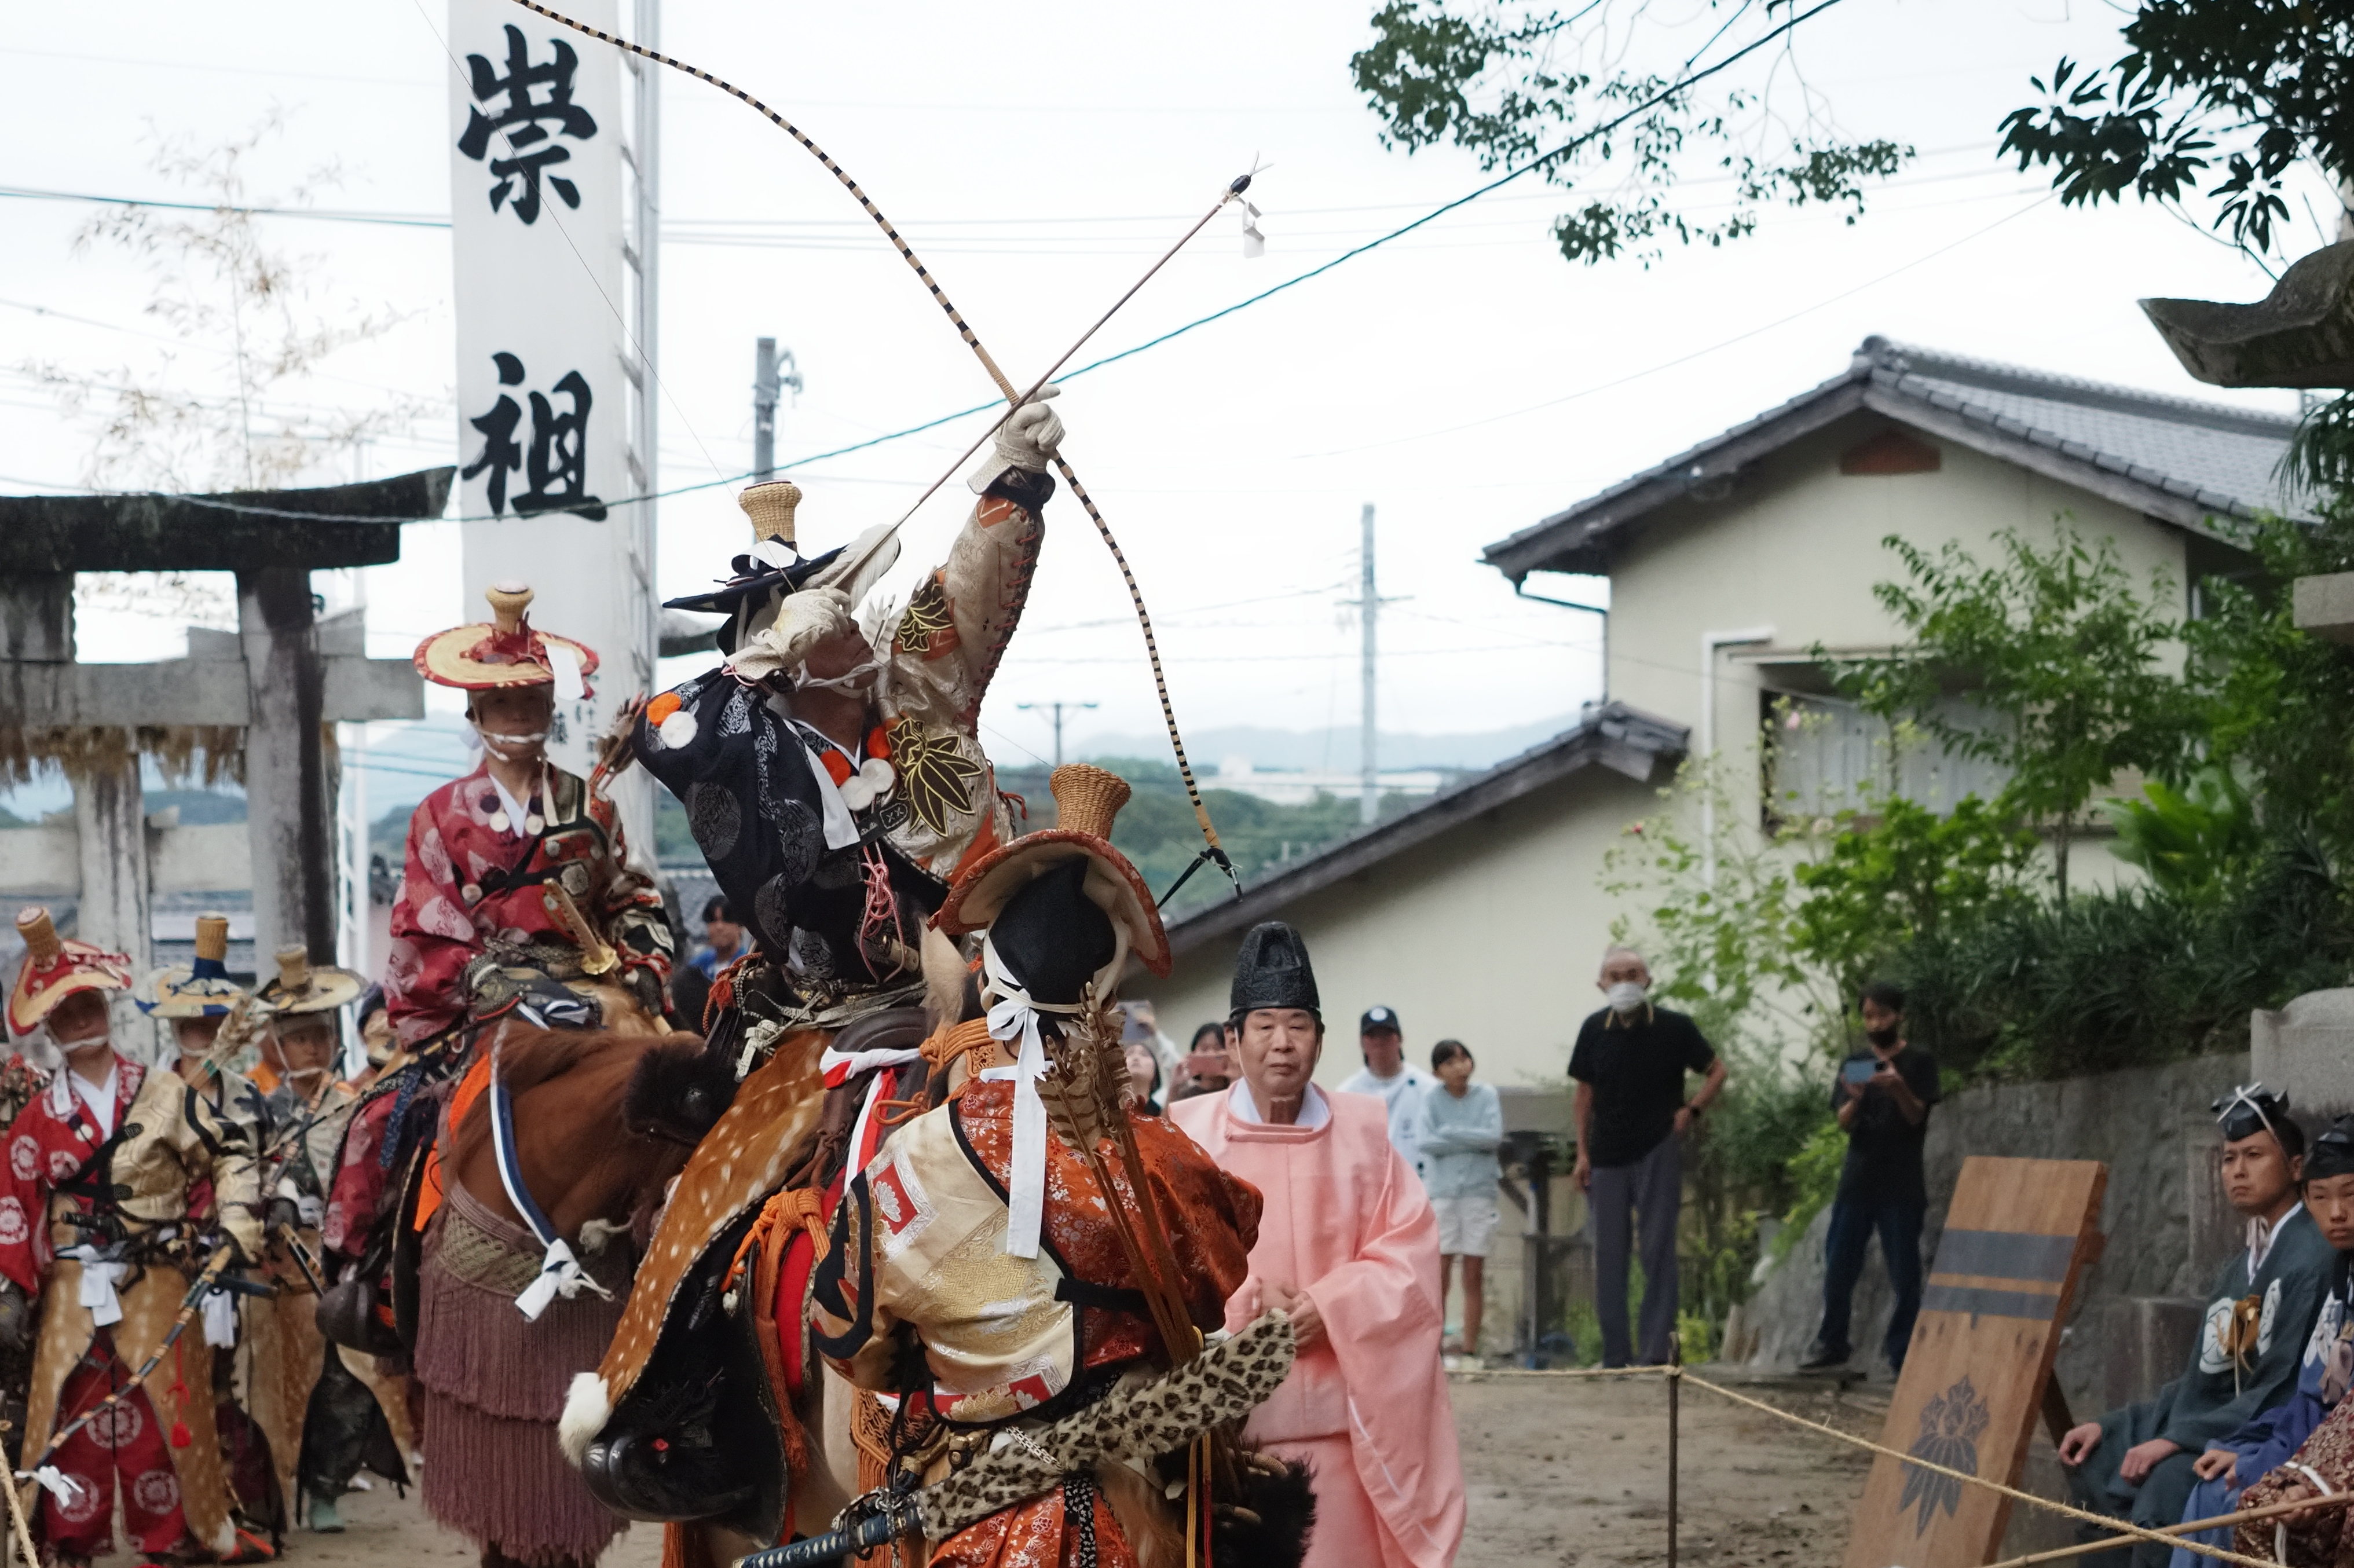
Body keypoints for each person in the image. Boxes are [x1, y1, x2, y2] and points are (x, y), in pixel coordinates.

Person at [813, 764, 1276, 1566]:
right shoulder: (1161, 1163)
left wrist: (948, 1356)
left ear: (987, 983)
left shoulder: (909, 1162)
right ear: (1102, 1002)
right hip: (1134, 1516)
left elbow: (844, 1333)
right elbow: (1211, 1286)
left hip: (970, 1510)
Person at [1171, 921, 1466, 1568]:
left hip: (1345, 1434)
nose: (1283, 1043)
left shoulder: (1364, 1135)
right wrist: (1245, 1303)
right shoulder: (1187, 1138)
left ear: (1321, 1038)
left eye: (1299, 1024)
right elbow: (1160, 1266)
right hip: (1225, 1439)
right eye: (1266, 1025)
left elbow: (1410, 1263)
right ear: (1232, 1040)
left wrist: (1329, 1304)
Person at [1, 907, 262, 1565]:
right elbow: (10, 1200)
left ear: (107, 1006)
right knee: (73, 1424)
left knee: (164, 1415)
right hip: (69, 1287)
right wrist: (10, 1286)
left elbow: (229, 1152)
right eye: (66, 1008)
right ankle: (69, 1539)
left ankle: (173, 1537)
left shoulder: (165, 1092)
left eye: (89, 1001)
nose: (82, 1016)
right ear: (50, 1025)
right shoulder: (35, 1116)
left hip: (157, 1275)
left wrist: (234, 1218)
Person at [383, 580, 673, 1047]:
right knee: (389, 1118)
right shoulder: (438, 816)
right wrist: (489, 980)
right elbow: (424, 923)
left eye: (530, 701)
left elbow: (631, 898)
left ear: (549, 710)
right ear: (474, 715)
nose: (517, 715)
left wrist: (643, 965)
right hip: (485, 1001)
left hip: (594, 993)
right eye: (500, 702)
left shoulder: (591, 806)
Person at [2059, 1084, 2333, 1567]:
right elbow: (2205, 1382)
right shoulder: (2239, 1266)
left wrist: (2176, 1440)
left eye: (2253, 1156)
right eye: (2228, 1159)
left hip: (2259, 1432)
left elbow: (2280, 1385)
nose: (2238, 1172)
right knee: (2094, 1457)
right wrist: (2114, 1425)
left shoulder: (2311, 1257)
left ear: (2294, 1168)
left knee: (2165, 1482)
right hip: (2216, 1421)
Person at [2168, 1115, 2354, 1568]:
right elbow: (2316, 1390)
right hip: (2312, 1439)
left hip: (2338, 1460)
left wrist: (2294, 1472)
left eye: (2350, 1196)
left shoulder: (2308, 1262)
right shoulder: (2337, 1274)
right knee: (2210, 1487)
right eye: (2320, 1197)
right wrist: (2248, 1443)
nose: (2335, 1214)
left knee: (2249, 1502)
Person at [1568, 945, 1725, 1368]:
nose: (1624, 982)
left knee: (1658, 1250)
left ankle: (1655, 1354)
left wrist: (1691, 1111)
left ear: (1648, 980)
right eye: (1614, 975)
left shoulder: (1675, 1027)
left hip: (1658, 1146)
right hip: (1605, 1155)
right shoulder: (1592, 1030)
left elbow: (1717, 1070)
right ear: (1601, 984)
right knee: (1608, 1255)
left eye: (1632, 973)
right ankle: (1614, 1355)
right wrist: (1581, 1153)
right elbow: (1583, 1094)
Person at [1800, 980, 1942, 1376]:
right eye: (1868, 1015)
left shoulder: (1918, 1062)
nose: (1875, 1022)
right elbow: (1842, 1122)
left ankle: (1903, 1353)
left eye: (1882, 1014)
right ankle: (1831, 1343)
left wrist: (1897, 1086)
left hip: (1901, 1181)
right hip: (1857, 1180)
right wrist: (1857, 1096)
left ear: (1898, 1016)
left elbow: (1917, 1116)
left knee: (1904, 1272)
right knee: (1839, 1266)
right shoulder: (1855, 1063)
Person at [1418, 1039, 1503, 1360]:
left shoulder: (1487, 1095)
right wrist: (1469, 1135)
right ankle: (1434, 1346)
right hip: (1443, 1193)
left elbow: (1493, 1137)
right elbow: (1427, 1142)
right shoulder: (1431, 1098)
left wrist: (1450, 1132)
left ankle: (1469, 1348)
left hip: (1479, 1191)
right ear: (1437, 1071)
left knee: (1474, 1272)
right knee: (1440, 1271)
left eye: (1464, 1058)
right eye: (1451, 1062)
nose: (1460, 1066)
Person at [1338, 1005, 1433, 1174]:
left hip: (1418, 1182)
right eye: (1372, 1036)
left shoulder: (1427, 1088)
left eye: (1386, 1035)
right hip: (1370, 1185)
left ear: (1400, 1039)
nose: (1380, 1042)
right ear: (1362, 1042)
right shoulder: (1346, 1093)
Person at [1169, 1021, 1234, 1103]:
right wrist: (1175, 1086)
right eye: (1204, 1049)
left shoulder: (1237, 1090)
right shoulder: (1187, 1098)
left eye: (1217, 1048)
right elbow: (1166, 1116)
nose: (1210, 1054)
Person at [689, 895, 745, 980]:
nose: (719, 927)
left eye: (726, 920)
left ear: (740, 926)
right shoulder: (698, 966)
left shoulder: (747, 964)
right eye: (713, 920)